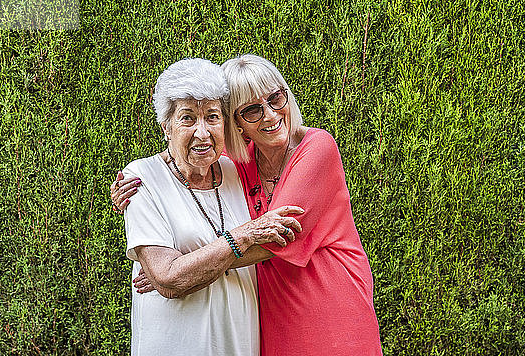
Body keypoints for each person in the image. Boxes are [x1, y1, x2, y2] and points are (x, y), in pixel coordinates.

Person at [113, 54, 383, 355]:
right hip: (272, 318)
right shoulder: (238, 164)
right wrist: (143, 177)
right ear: (237, 123)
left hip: (330, 308)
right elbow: (192, 147)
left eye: (275, 98)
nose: (269, 115)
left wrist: (177, 271)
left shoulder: (316, 148)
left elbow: (275, 241)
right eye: (252, 110)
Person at [119, 57, 303, 356]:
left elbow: (278, 238)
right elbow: (168, 279)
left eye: (212, 117)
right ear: (166, 126)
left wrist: (192, 264)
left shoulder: (237, 171)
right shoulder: (142, 179)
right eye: (188, 118)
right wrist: (243, 236)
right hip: (176, 345)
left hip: (240, 343)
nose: (202, 132)